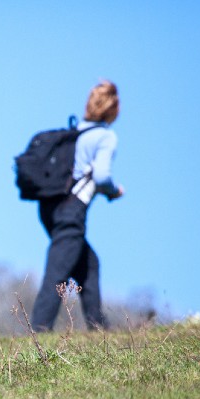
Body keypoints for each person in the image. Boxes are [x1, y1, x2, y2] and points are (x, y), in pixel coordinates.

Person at [31, 80, 124, 331]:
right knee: (58, 271)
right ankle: (39, 331)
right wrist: (114, 192)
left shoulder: (76, 131)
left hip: (49, 208)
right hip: (71, 211)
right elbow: (102, 176)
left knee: (89, 264)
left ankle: (100, 330)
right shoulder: (105, 137)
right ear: (113, 109)